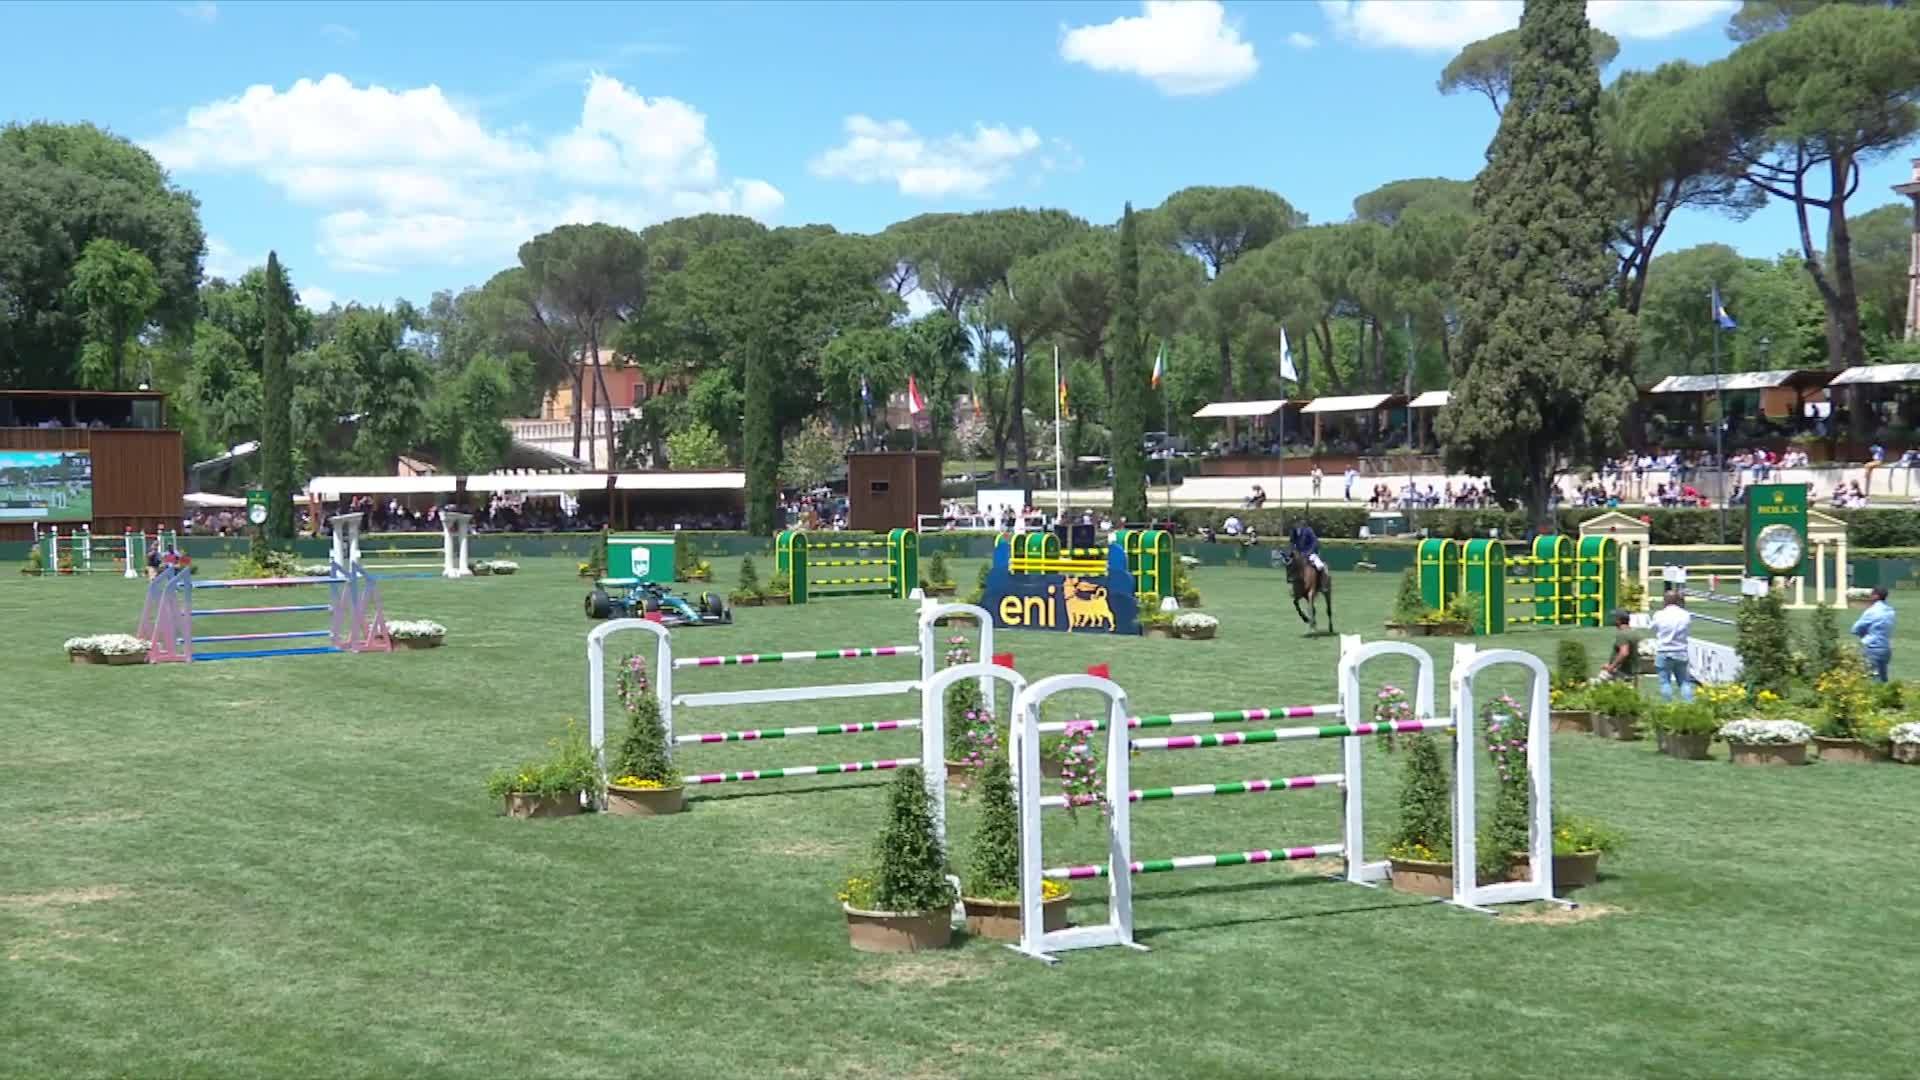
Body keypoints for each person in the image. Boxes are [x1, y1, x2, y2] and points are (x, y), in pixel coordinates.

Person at [1651, 590, 1694, 702]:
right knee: (1684, 682)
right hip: (1681, 651)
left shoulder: (1659, 615)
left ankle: (1668, 706)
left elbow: (1653, 628)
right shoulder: (1685, 615)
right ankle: (1690, 706)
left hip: (1664, 651)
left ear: (1665, 601)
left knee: (1665, 682)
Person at [1850, 587, 1896, 682]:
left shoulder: (1871, 611)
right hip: (1885, 648)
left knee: (1871, 678)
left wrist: (1864, 634)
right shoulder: (1890, 611)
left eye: (1872, 594)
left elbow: (1855, 629)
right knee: (1883, 678)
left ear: (1876, 596)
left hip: (1872, 648)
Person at [1597, 610, 1638, 682]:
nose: (1613, 620)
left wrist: (1611, 667)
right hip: (1631, 671)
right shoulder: (1633, 633)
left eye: (1615, 618)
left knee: (1598, 686)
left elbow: (1624, 653)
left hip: (1621, 672)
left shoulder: (1622, 634)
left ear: (1619, 620)